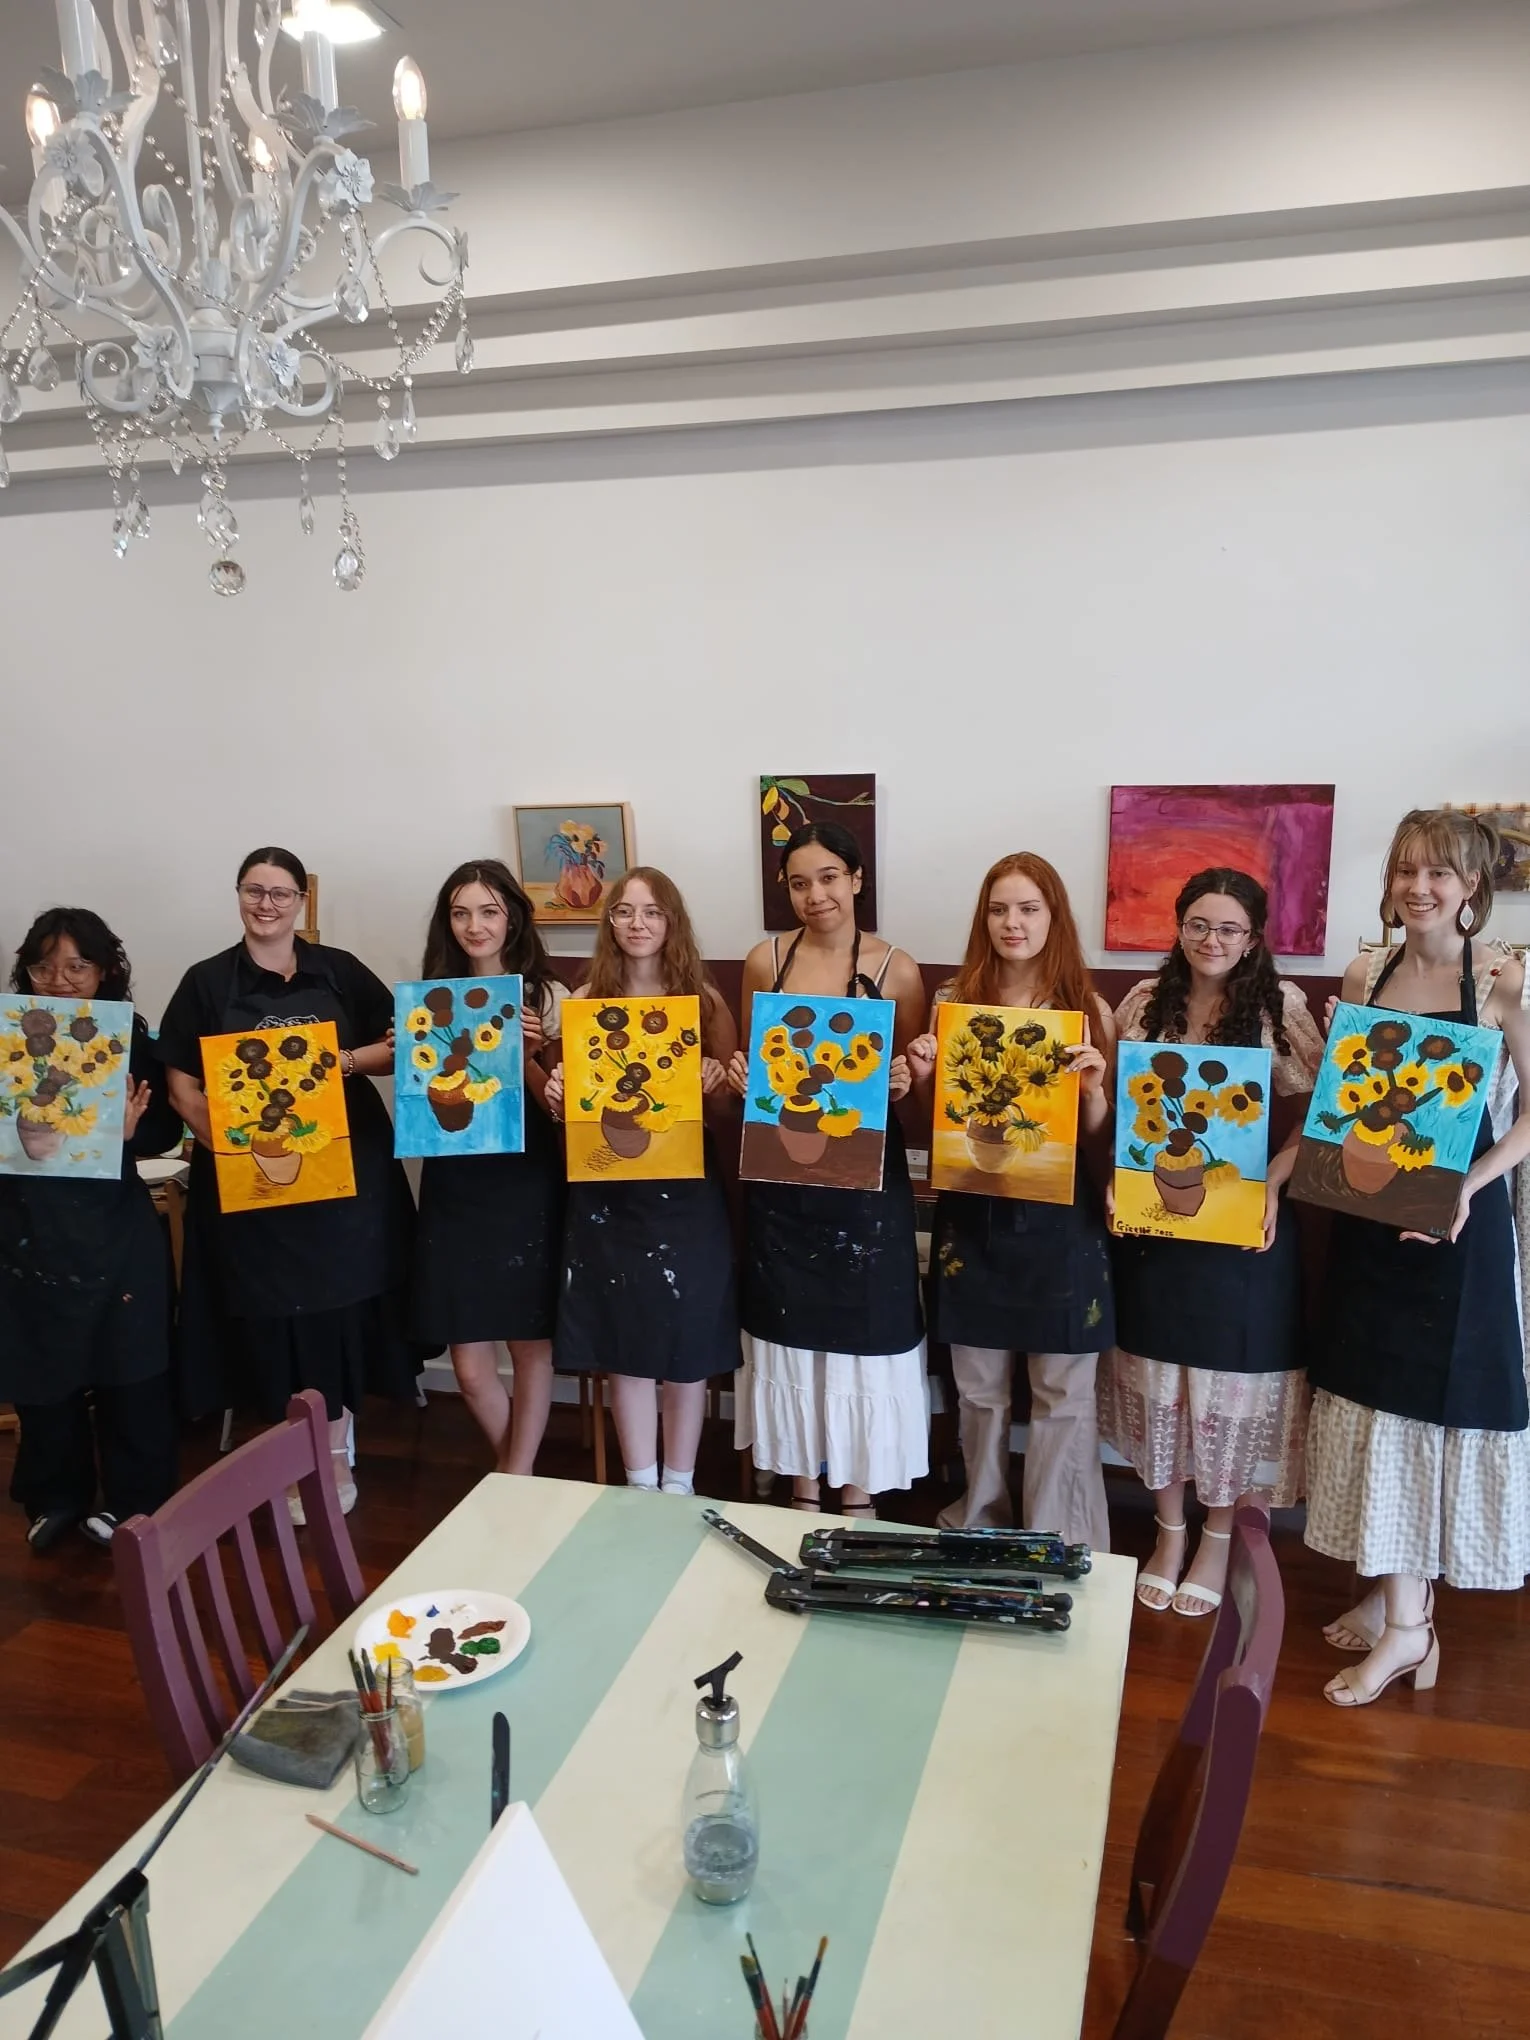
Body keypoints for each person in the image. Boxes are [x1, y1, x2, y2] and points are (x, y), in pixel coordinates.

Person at [1305, 809, 1530, 1706]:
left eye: (1438, 873)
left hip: (1455, 1234)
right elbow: (1356, 1103)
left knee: (1426, 1413)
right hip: (1370, 1223)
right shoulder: (1366, 972)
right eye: (1406, 870)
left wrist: (1469, 1186)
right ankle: (1394, 1597)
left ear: (1471, 887)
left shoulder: (1506, 981)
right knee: (1372, 1403)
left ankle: (1409, 1629)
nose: (1418, 888)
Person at [157, 848, 421, 1516]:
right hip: (256, 1192)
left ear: (301, 900)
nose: (266, 905)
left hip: (344, 1184)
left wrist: (340, 1063)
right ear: (238, 895)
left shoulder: (339, 971)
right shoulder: (206, 982)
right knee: (272, 1323)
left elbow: (403, 1045)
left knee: (337, 1314)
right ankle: (287, 1453)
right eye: (254, 890)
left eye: (280, 893)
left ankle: (333, 1452)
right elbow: (182, 1085)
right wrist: (231, 1147)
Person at [1097, 868, 1324, 1615]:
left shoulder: (1280, 1007)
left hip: (1242, 1230)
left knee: (1228, 1388)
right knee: (1158, 1380)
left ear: (1253, 938)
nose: (1212, 940)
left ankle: (1218, 1537)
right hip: (1158, 1225)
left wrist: (1273, 1184)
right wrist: (1120, 1179)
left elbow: (1319, 1110)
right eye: (1199, 924)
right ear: (1179, 926)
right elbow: (1123, 1110)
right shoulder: (1143, 1002)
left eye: (1229, 928)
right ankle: (1168, 1531)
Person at [905, 853, 1115, 1548]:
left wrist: (1094, 1091)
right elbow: (938, 1129)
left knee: (1062, 1392)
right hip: (974, 1217)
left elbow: (1102, 1141)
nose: (1012, 923)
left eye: (1028, 909)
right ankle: (981, 1518)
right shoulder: (953, 1001)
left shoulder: (1086, 1010)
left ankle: (1058, 1532)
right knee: (978, 1389)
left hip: (1061, 1221)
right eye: (999, 909)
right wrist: (926, 1076)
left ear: (1054, 917)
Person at [729, 823, 928, 1516]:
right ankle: (802, 1484)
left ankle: (858, 1489)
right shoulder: (765, 961)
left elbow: (913, 1093)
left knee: (864, 1329)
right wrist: (743, 1078)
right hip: (782, 1185)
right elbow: (759, 1071)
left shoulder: (898, 968)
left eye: (829, 878)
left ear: (857, 879)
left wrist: (903, 1082)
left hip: (866, 1190)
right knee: (788, 1329)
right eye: (799, 883)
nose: (815, 895)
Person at [543, 867, 738, 1494]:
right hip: (609, 1196)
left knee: (687, 1340)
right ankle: (639, 1483)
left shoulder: (704, 1003)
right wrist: (558, 1093)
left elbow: (727, 1114)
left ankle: (679, 1483)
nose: (637, 924)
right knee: (621, 1338)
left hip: (686, 1196)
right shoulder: (583, 1001)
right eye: (624, 911)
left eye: (652, 912)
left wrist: (717, 1083)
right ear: (608, 923)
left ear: (672, 922)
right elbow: (572, 1110)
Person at [1, 910, 182, 1551]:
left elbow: (164, 1129)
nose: (59, 979)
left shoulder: (129, 1034)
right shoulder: (8, 1035)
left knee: (130, 1366)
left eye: (77, 966)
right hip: (27, 1226)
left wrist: (128, 1132)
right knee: (43, 1369)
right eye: (44, 966)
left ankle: (137, 1501)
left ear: (105, 971)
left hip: (114, 1226)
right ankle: (55, 1496)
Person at [408, 861, 564, 1475]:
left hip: (525, 1181)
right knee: (469, 1365)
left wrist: (527, 1055)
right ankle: (518, 1476)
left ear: (513, 918)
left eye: (489, 911)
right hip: (455, 1183)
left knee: (530, 1342)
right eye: (461, 913)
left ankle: (515, 1477)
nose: (475, 926)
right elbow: (421, 1090)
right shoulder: (429, 997)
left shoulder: (549, 997)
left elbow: (562, 1110)